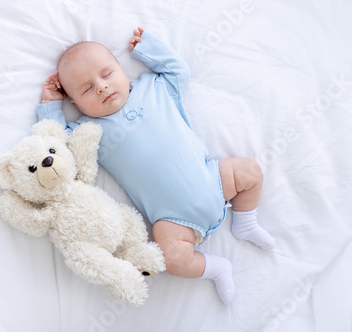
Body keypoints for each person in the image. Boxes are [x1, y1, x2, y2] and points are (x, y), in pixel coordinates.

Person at [36, 26, 275, 304]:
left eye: (107, 74)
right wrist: (50, 105)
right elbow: (57, 142)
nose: (101, 86)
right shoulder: (89, 132)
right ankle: (216, 268)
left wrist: (147, 48)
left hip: (216, 180)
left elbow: (179, 71)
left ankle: (246, 222)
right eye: (87, 88)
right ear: (74, 102)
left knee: (250, 171)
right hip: (173, 220)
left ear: (122, 69)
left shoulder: (155, 87)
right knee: (171, 259)